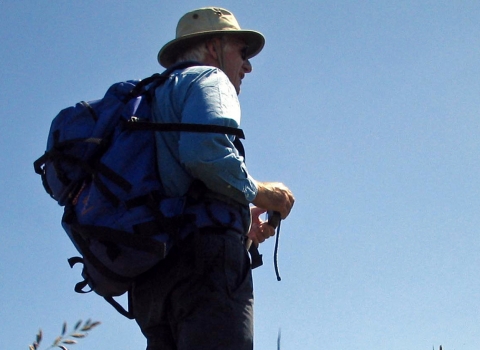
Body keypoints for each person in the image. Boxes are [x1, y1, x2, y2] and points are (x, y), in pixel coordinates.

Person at [131, 7, 295, 350]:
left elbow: (175, 182)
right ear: (212, 48)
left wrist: (238, 219)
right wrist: (263, 195)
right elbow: (204, 152)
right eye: (241, 52)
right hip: (206, 266)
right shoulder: (209, 78)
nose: (247, 65)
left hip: (152, 276)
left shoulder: (151, 97)